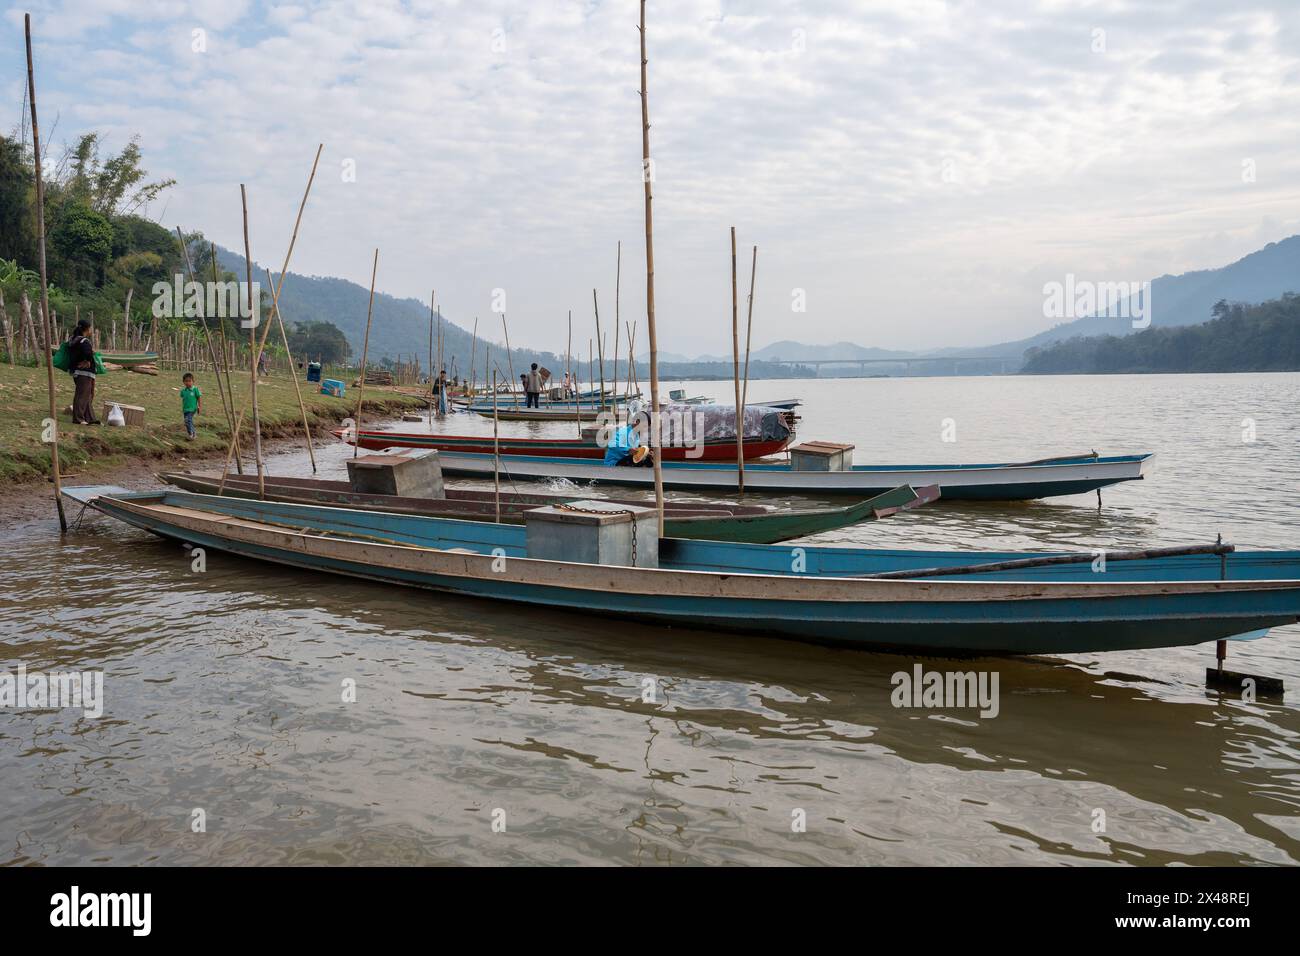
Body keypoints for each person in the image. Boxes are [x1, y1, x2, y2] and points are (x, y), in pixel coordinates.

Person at [66, 319, 99, 425]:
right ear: (87, 329)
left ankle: (90, 418)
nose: (91, 330)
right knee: (82, 395)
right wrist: (89, 358)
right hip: (84, 372)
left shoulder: (73, 340)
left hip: (77, 371)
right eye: (90, 328)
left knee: (86, 395)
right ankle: (78, 419)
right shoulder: (84, 341)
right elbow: (87, 353)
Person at [180, 372, 202, 439]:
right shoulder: (183, 391)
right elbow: (183, 398)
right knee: (188, 421)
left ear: (193, 381)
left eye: (189, 381)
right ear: (183, 382)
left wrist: (199, 407)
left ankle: (191, 434)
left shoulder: (195, 389)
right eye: (186, 381)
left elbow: (199, 397)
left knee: (187, 420)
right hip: (185, 409)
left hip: (192, 408)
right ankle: (194, 433)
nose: (188, 383)